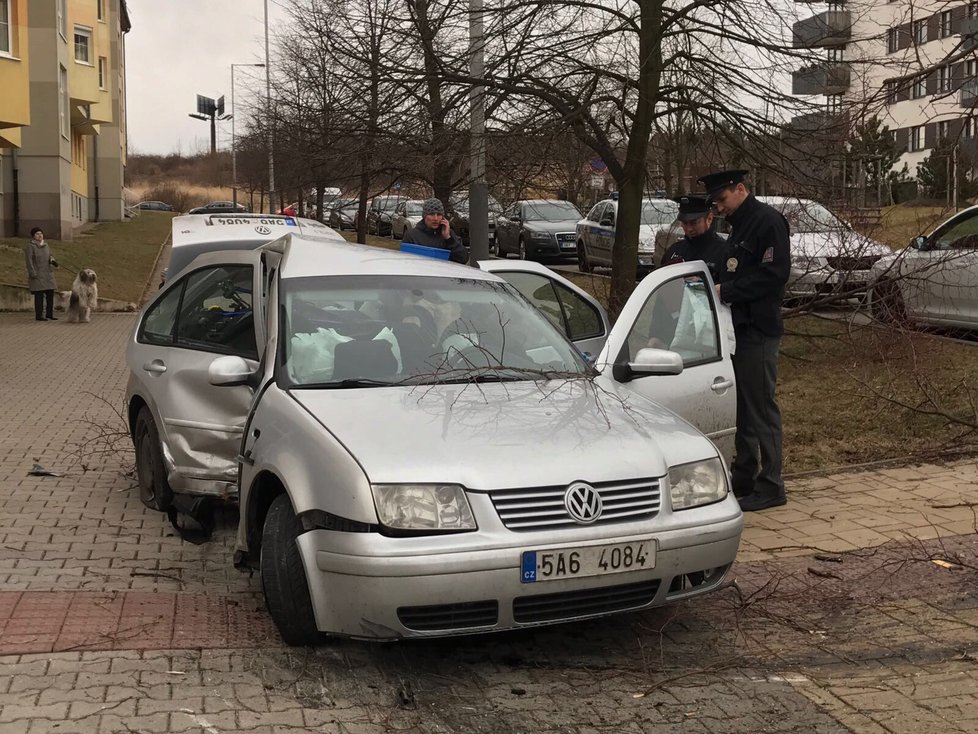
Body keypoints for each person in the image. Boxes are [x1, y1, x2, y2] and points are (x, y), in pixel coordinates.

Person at [698, 169, 790, 512]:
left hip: (758, 329)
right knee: (745, 409)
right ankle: (745, 477)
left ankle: (772, 484)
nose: (719, 208)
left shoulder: (767, 222)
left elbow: (774, 273)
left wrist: (729, 291)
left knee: (762, 408)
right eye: (716, 203)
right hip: (737, 331)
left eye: (722, 200)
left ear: (740, 189)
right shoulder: (739, 226)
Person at [660, 195, 727, 282]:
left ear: (709, 219)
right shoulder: (674, 251)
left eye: (694, 223)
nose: (689, 229)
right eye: (685, 223)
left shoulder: (723, 251)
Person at [401, 198, 469, 264]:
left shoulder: (449, 234)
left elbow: (463, 259)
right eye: (432, 214)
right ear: (424, 216)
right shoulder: (412, 235)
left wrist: (449, 239)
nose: (435, 218)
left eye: (439, 215)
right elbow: (405, 262)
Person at [24, 227, 59, 321]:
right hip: (37, 274)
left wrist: (53, 261)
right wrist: (32, 272)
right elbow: (29, 261)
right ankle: (39, 315)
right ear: (33, 236)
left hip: (48, 274)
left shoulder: (46, 245)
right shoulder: (31, 246)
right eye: (37, 234)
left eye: (41, 233)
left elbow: (50, 255)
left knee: (50, 295)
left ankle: (49, 314)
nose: (40, 235)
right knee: (39, 296)